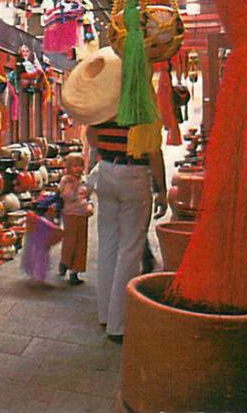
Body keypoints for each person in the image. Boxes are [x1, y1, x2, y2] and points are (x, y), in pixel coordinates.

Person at [86, 121, 167, 342]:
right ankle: (118, 324)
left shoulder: (105, 103)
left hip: (106, 172)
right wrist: (161, 190)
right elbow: (153, 152)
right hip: (133, 174)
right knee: (130, 249)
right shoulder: (141, 106)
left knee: (108, 246)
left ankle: (105, 313)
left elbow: (91, 137)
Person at [57, 152, 94, 285]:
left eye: (80, 166)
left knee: (81, 244)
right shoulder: (65, 181)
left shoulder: (84, 180)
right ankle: (65, 262)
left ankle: (75, 271)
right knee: (70, 242)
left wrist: (90, 206)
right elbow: (68, 196)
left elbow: (87, 196)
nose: (78, 169)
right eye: (74, 166)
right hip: (70, 215)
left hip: (82, 215)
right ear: (68, 167)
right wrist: (73, 185)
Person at [21, 193, 64, 283]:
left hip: (34, 243)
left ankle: (35, 277)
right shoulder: (44, 222)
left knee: (34, 258)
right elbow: (59, 232)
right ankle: (38, 279)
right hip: (41, 245)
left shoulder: (32, 218)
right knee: (40, 260)